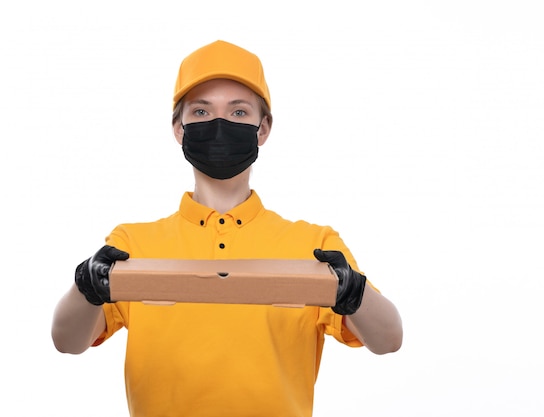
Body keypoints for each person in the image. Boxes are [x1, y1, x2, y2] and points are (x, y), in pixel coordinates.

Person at [51, 40, 403, 417]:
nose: (219, 124)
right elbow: (68, 341)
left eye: (238, 112)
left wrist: (352, 289)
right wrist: (86, 283)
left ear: (263, 128)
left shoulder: (313, 245)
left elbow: (387, 339)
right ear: (179, 129)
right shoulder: (133, 244)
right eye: (201, 111)